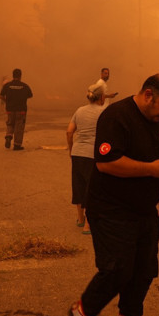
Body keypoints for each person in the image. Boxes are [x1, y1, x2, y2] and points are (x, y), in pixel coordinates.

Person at [68, 73, 159, 316]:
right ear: (148, 95)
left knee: (144, 269)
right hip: (111, 208)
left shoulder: (158, 119)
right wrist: (151, 169)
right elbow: (106, 163)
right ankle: (81, 314)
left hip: (144, 210)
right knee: (117, 269)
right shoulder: (116, 116)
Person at [65, 84, 106, 235]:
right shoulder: (103, 112)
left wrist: (71, 150)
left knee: (79, 184)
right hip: (92, 154)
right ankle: (88, 225)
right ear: (101, 97)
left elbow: (69, 132)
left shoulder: (79, 111)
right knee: (92, 187)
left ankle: (80, 218)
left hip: (77, 153)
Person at [0, 68, 33, 150]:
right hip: (21, 110)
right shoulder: (25, 86)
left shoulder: (7, 85)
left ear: (13, 75)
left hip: (10, 109)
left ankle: (8, 135)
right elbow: (30, 95)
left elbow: (1, 96)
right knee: (19, 126)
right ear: (20, 76)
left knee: (10, 123)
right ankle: (17, 144)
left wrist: (7, 101)